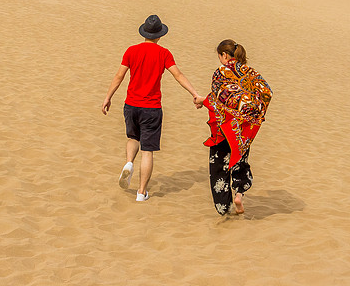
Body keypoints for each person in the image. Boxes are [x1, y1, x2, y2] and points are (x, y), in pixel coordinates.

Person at [101, 14, 202, 202]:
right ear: (159, 35)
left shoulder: (131, 51)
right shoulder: (164, 53)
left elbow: (119, 76)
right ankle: (141, 193)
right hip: (151, 108)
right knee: (147, 150)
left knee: (133, 137)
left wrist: (108, 97)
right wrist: (194, 94)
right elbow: (178, 75)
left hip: (131, 105)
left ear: (144, 33)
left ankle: (129, 163)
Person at [194, 39, 272, 215]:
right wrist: (255, 117)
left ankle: (223, 207)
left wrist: (201, 100)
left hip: (223, 129)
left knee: (219, 165)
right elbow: (266, 92)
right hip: (243, 130)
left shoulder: (220, 73)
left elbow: (216, 100)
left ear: (224, 55)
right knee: (240, 160)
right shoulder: (250, 73)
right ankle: (239, 193)